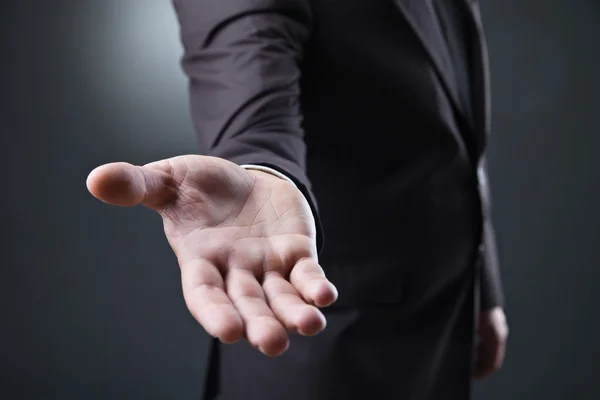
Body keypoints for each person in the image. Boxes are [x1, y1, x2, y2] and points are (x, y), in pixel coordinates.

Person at [87, 0, 509, 398]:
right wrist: (260, 165)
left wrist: (481, 284)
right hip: (329, 342)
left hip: (445, 312)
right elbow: (247, 45)